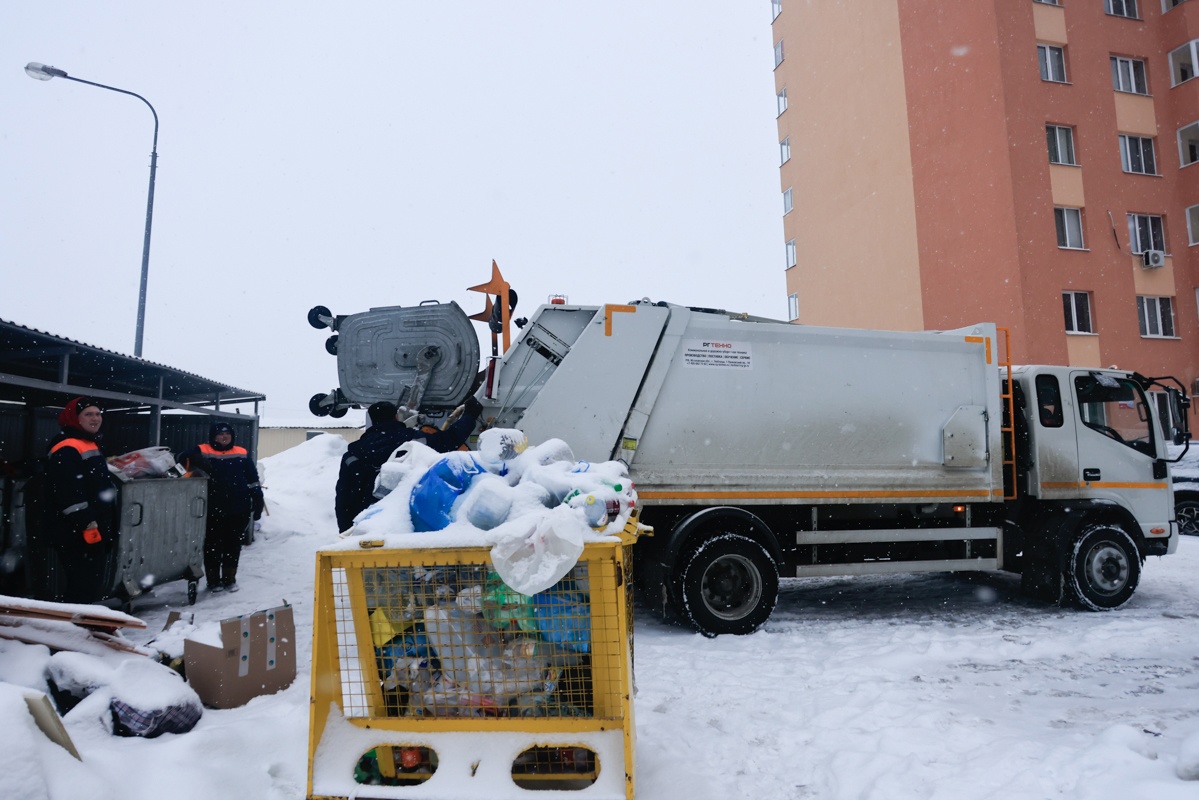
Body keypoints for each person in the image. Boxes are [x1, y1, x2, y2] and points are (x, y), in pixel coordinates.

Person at [335, 396, 484, 532]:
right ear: (395, 417)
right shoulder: (414, 440)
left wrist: (347, 533)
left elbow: (343, 500)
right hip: (409, 525)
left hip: (368, 528)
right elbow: (450, 439)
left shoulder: (352, 455)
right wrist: (470, 415)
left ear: (373, 420)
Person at [44, 397, 120, 603]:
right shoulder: (67, 447)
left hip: (92, 528)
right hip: (78, 531)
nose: (95, 418)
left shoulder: (88, 443)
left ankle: (81, 627)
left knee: (90, 583)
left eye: (97, 414)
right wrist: (87, 524)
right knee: (82, 585)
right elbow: (68, 492)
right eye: (88, 414)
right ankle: (73, 630)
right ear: (74, 418)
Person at [180, 422, 263, 593]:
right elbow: (181, 459)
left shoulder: (241, 452)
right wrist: (194, 461)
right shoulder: (203, 450)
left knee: (232, 545)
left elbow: (252, 477)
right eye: (220, 434)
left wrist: (257, 497)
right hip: (213, 507)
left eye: (228, 433)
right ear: (213, 436)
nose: (225, 436)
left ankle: (229, 579)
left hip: (238, 507)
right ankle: (213, 581)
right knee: (213, 545)